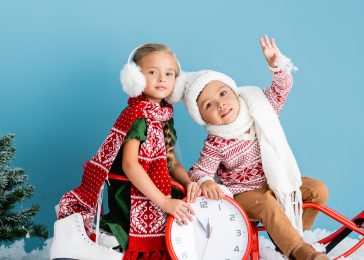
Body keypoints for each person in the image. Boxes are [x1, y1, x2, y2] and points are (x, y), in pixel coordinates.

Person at [167, 35, 329, 260]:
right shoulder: (217, 142)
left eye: (223, 93)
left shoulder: (259, 109)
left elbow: (281, 89)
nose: (220, 104)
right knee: (267, 206)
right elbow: (199, 170)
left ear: (234, 91)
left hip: (274, 184)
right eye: (209, 105)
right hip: (244, 194)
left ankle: (291, 237)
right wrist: (206, 181)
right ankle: (302, 252)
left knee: (318, 189)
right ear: (203, 117)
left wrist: (276, 64)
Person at [57, 43, 200, 259]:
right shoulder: (137, 116)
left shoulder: (164, 116)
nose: (162, 79)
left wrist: (189, 183)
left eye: (169, 74)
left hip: (155, 184)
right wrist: (163, 201)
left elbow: (173, 163)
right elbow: (130, 165)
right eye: (153, 72)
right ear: (136, 78)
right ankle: (114, 234)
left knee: (187, 201)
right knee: (173, 205)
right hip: (130, 190)